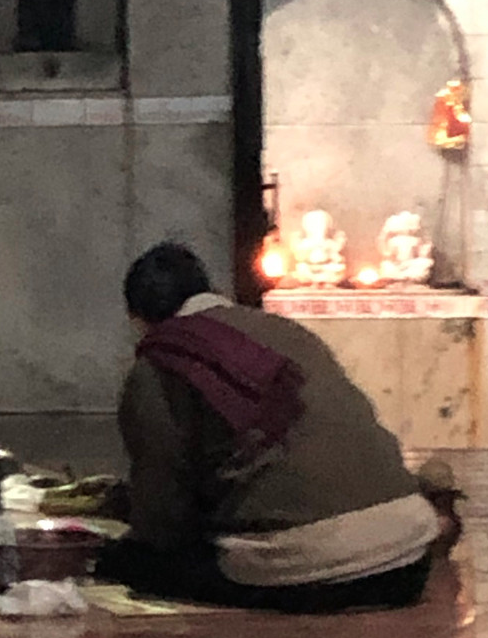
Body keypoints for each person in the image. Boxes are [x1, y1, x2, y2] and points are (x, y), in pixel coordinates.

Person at [97, 242, 451, 613]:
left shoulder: (159, 362)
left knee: (131, 563)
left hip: (319, 575)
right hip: (409, 558)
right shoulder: (285, 331)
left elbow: (163, 522)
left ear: (138, 319)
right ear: (211, 291)